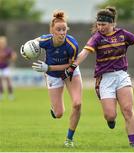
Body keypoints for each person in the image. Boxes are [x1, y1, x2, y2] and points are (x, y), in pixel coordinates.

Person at [61, 6, 134, 148]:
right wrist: (72, 66)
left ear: (112, 23)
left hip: (121, 76)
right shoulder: (97, 38)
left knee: (127, 109)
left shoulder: (123, 34)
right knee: (110, 115)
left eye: (103, 24)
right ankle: (110, 119)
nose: (100, 27)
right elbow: (84, 53)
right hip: (104, 79)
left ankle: (133, 143)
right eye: (99, 24)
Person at [24, 10, 82, 147]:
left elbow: (71, 64)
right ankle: (54, 108)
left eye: (64, 29)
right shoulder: (45, 40)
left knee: (77, 104)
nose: (62, 32)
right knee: (58, 114)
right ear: (52, 30)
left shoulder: (72, 44)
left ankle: (69, 139)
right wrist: (25, 51)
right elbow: (32, 44)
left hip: (69, 72)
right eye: (58, 29)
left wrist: (48, 67)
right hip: (52, 76)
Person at [0, 36, 17, 101]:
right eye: (1, 42)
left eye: (3, 42)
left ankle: (10, 95)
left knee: (8, 81)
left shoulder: (8, 50)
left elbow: (13, 56)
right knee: (0, 82)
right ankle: (1, 94)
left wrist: (13, 56)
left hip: (5, 67)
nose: (2, 43)